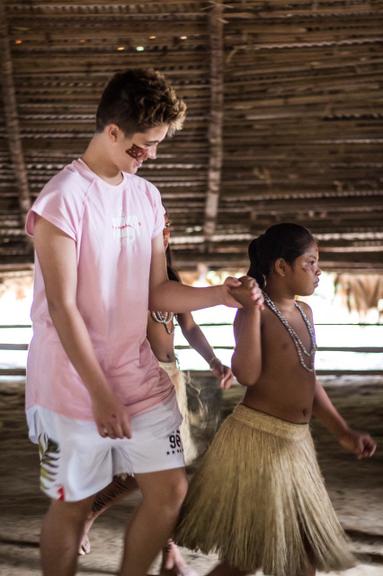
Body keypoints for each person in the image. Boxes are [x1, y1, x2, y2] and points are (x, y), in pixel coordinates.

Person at [25, 67, 262, 576]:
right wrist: (99, 393)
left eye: (156, 146)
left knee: (170, 489)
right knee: (72, 503)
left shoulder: (146, 197)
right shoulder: (62, 200)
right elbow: (63, 307)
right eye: (141, 146)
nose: (149, 156)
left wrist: (220, 294)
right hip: (69, 383)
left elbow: (157, 290)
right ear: (112, 131)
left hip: (135, 370)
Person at [176, 223, 377, 576]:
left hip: (295, 443)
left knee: (255, 558)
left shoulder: (305, 314)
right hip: (260, 442)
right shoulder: (256, 313)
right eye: (310, 263)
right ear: (282, 267)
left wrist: (341, 429)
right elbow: (248, 375)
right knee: (272, 558)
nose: (318, 271)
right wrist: (252, 312)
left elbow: (307, 378)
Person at [78, 213, 233, 562]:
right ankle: (95, 515)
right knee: (145, 472)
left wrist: (213, 361)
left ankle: (167, 550)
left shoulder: (171, 279)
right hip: (136, 382)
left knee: (165, 470)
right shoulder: (121, 281)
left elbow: (189, 327)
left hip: (171, 381)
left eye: (165, 226)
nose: (164, 231)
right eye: (155, 225)